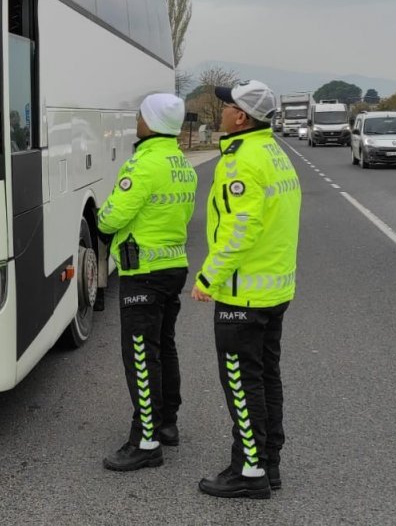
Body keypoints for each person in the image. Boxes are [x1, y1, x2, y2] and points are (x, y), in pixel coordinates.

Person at [191, 79, 301, 499]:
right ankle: (268, 462)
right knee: (265, 377)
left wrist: (208, 278)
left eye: (226, 106)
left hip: (243, 294)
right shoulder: (276, 153)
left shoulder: (241, 161)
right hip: (274, 289)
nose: (220, 111)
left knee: (241, 382)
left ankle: (249, 470)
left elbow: (241, 227)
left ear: (241, 117)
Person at [97, 93, 198, 472]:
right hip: (174, 268)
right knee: (163, 347)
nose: (136, 120)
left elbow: (111, 217)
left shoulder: (143, 164)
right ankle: (167, 423)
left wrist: (101, 218)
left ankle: (146, 440)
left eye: (140, 115)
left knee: (140, 353)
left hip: (143, 273)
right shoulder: (180, 163)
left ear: (151, 122)